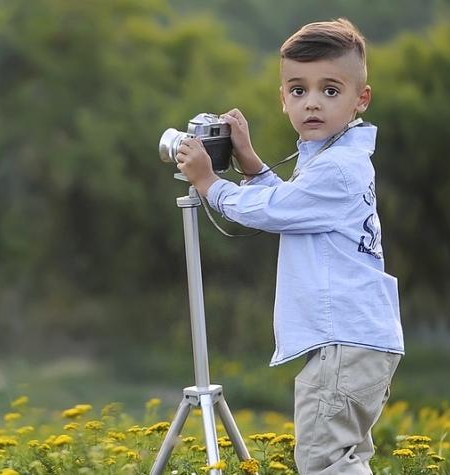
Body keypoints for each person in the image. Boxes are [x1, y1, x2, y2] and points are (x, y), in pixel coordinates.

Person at [174, 18, 404, 475]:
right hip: (357, 339)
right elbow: (293, 207)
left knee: (322, 461)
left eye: (330, 91)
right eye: (298, 90)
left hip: (343, 340)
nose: (312, 103)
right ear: (283, 99)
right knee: (344, 460)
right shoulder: (334, 160)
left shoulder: (336, 169)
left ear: (362, 99)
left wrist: (209, 183)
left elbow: (271, 211)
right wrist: (252, 163)